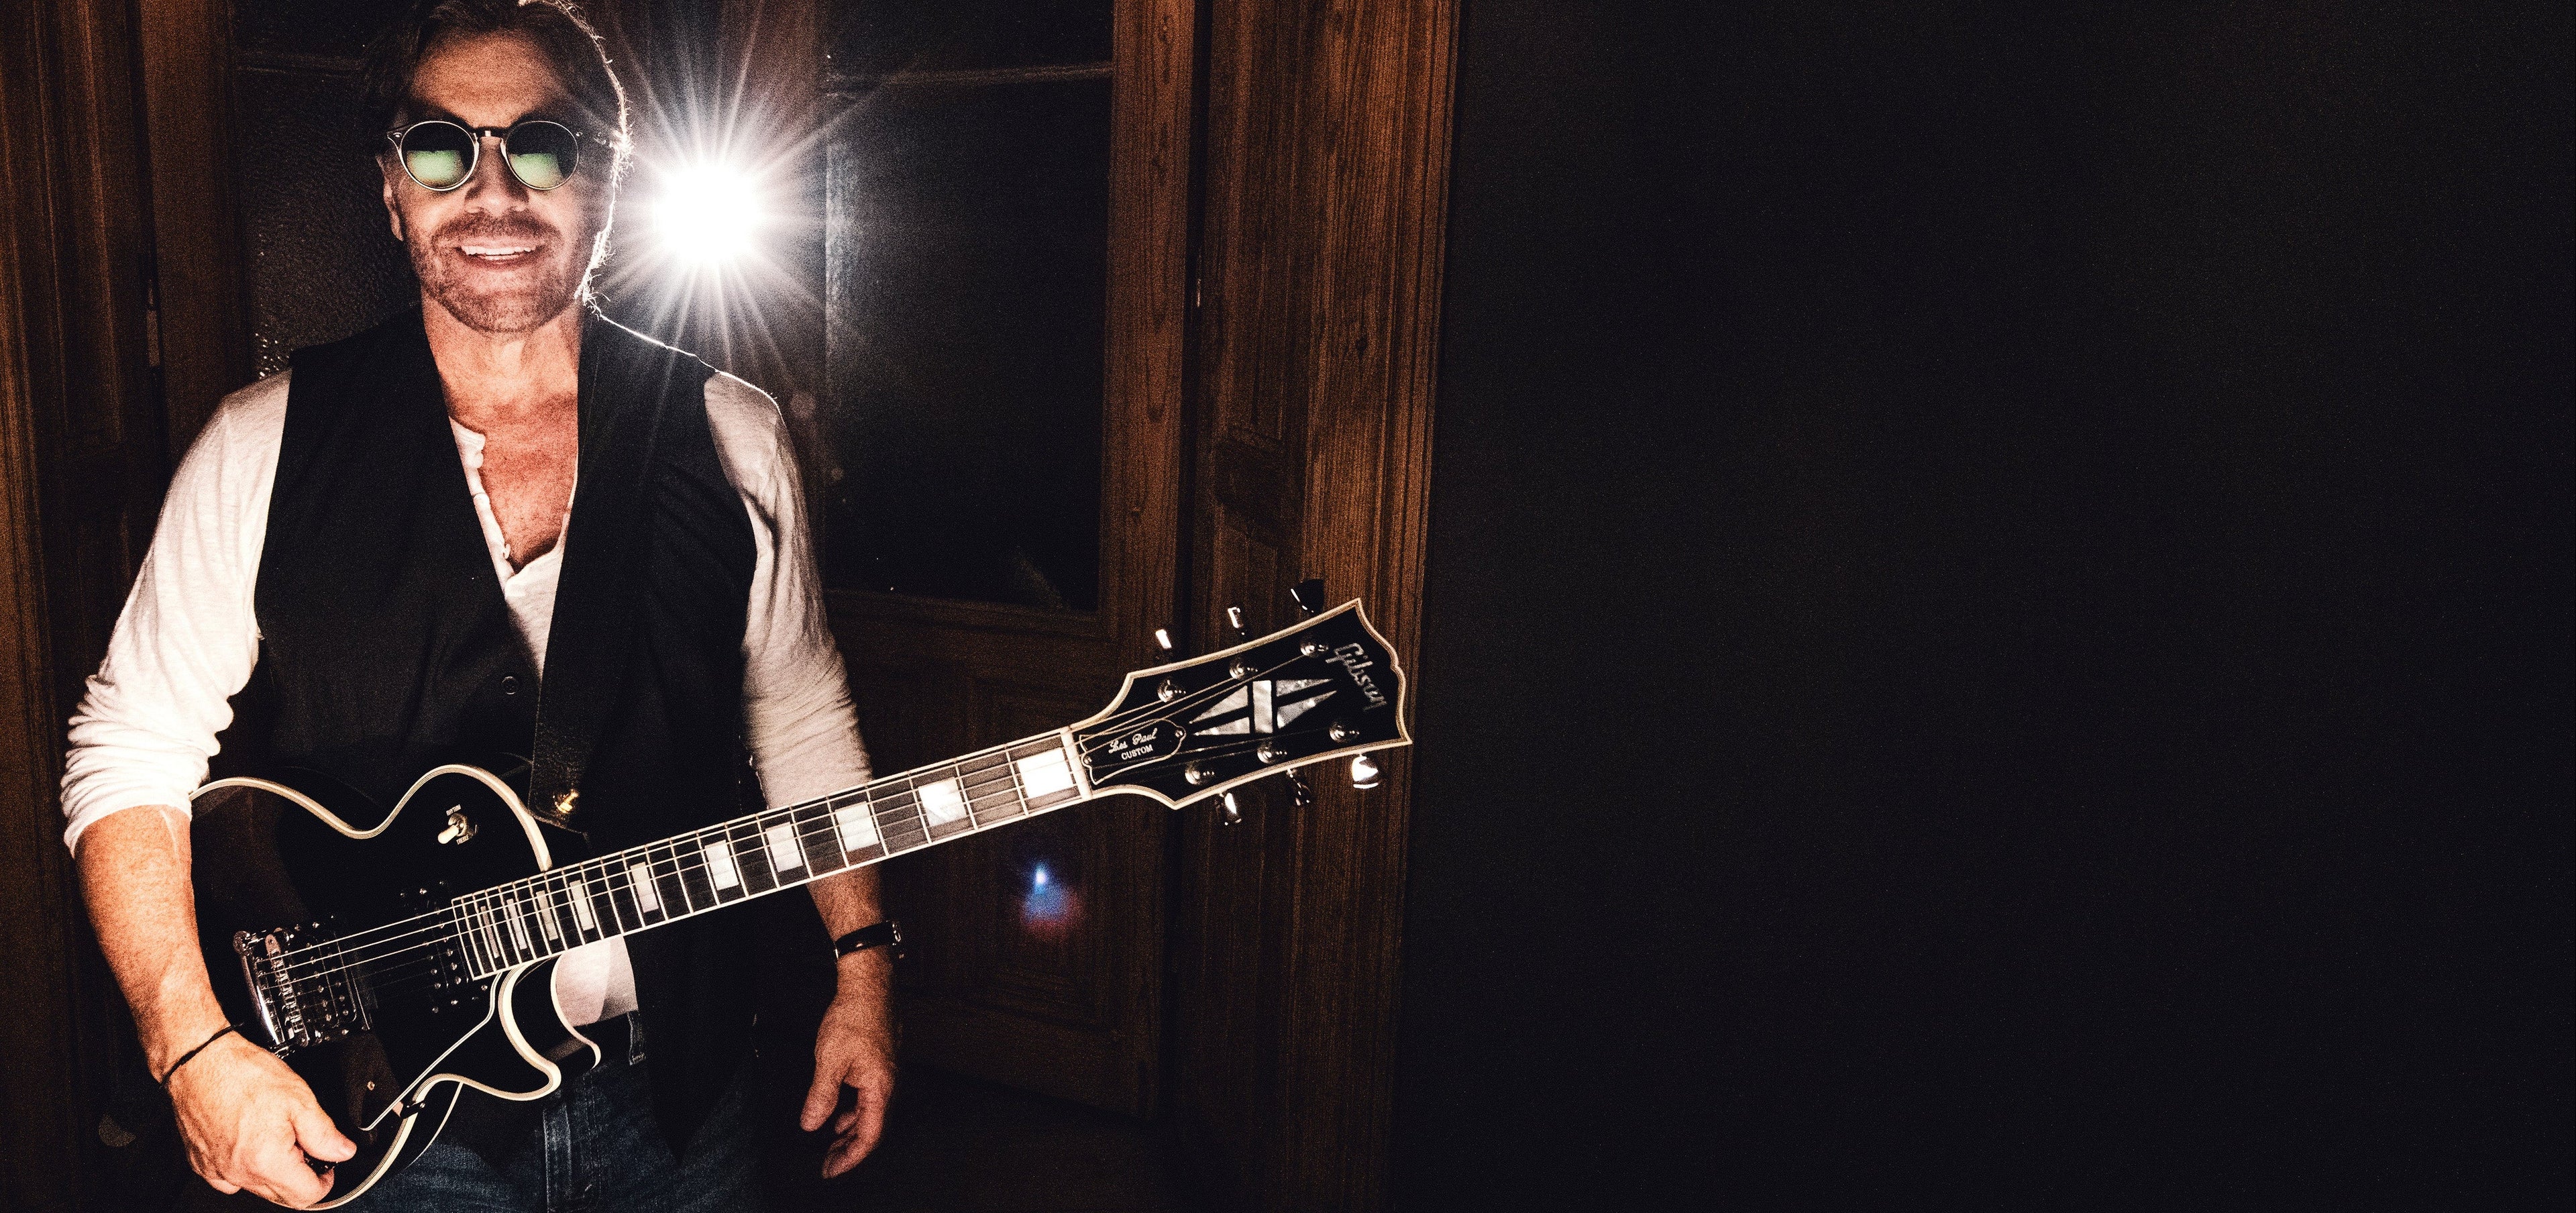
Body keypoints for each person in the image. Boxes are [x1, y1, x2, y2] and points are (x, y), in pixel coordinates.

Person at [59, 1, 895, 1208]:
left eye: (543, 145)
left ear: (606, 182)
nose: (493, 190)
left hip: (686, 1091)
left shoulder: (731, 435)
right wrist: (189, 1047)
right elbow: (128, 751)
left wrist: (864, 975)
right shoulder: (259, 447)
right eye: (441, 147)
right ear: (390, 189)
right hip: (396, 1115)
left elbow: (802, 717)